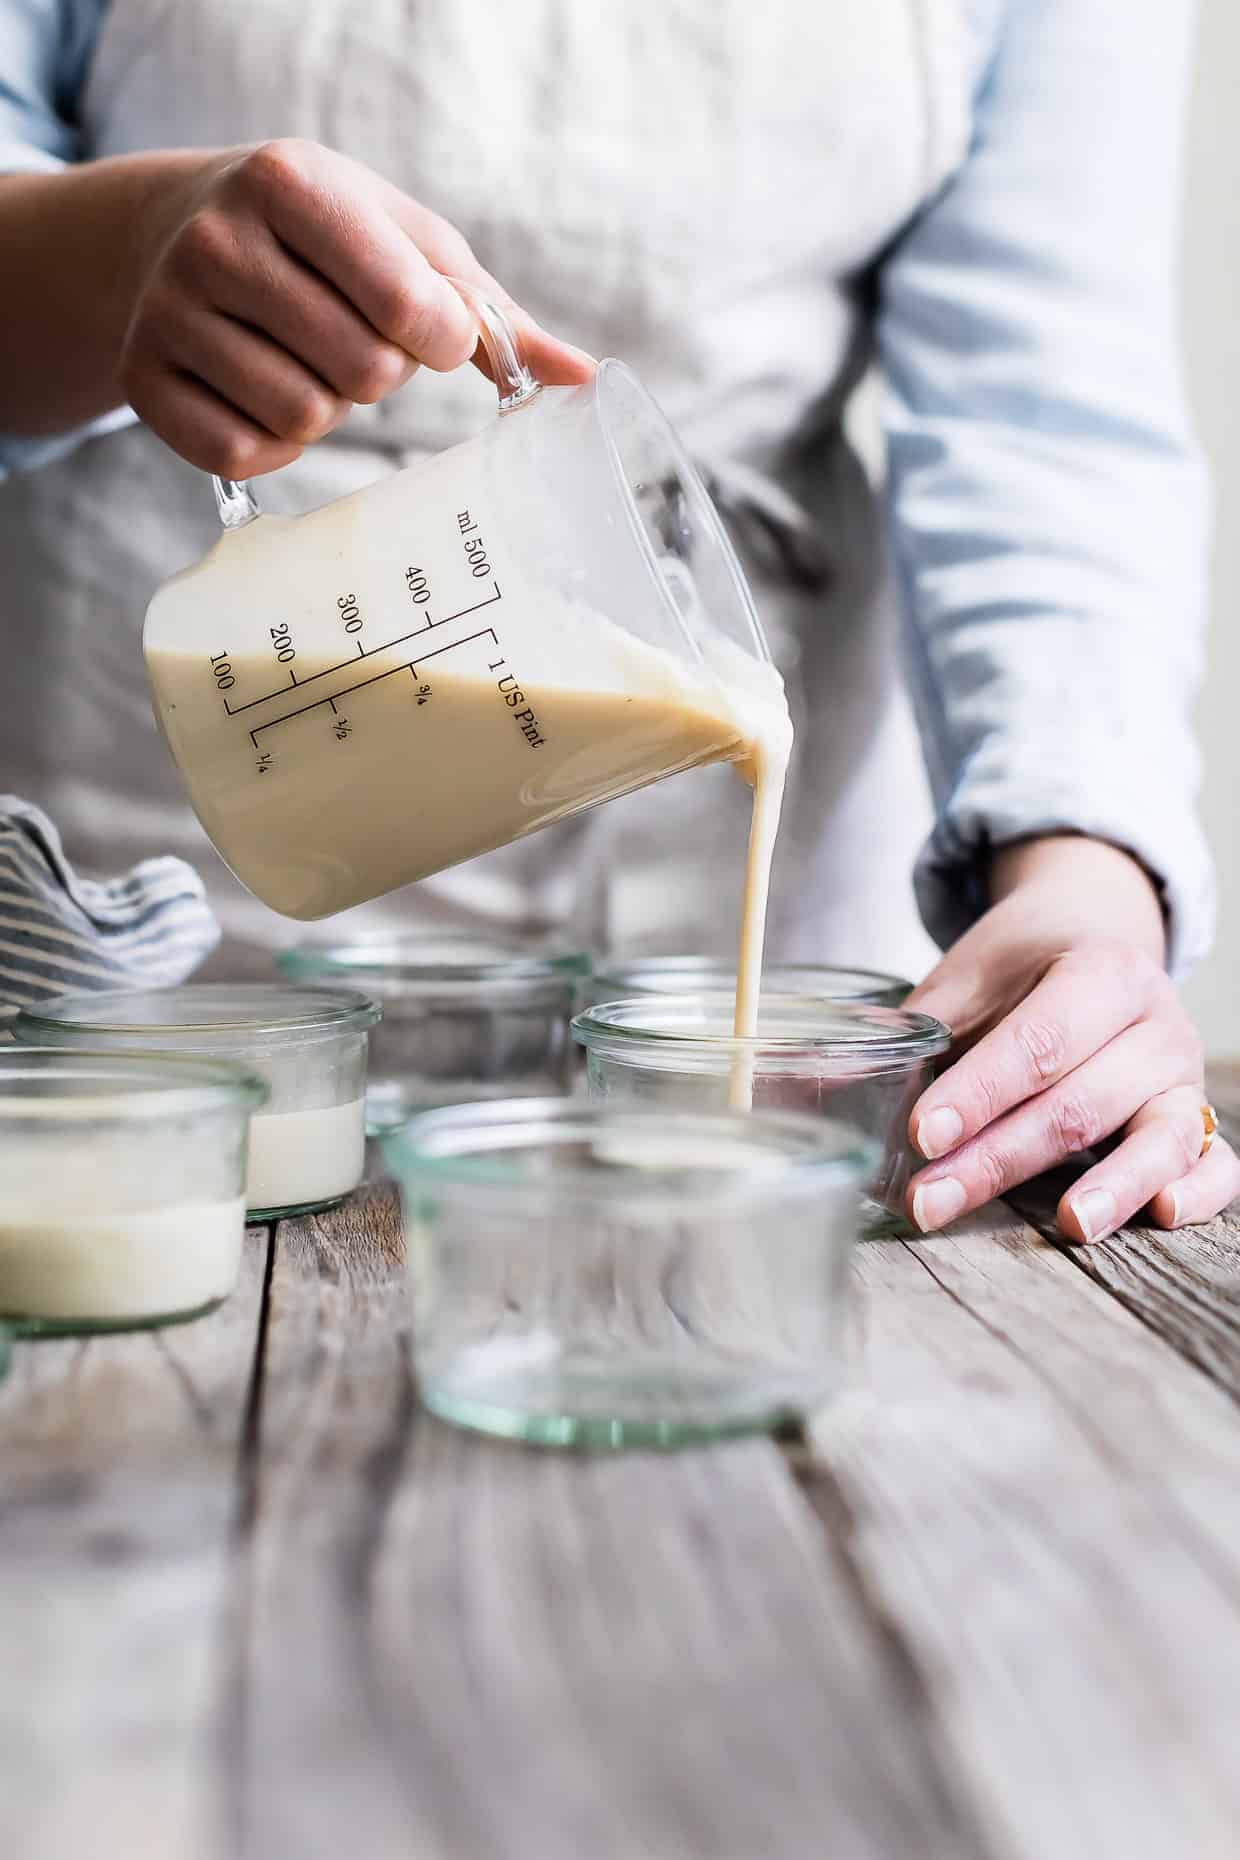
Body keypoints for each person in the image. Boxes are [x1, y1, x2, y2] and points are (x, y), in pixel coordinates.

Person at [1, 0, 1235, 1240]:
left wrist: (1085, 872)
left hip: (761, 916)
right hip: (160, 912)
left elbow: (1041, 420)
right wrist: (118, 253)